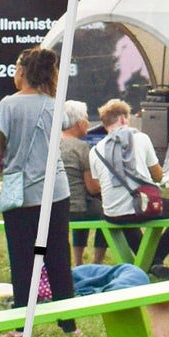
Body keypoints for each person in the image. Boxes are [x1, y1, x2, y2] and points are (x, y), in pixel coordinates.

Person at [0, 47, 77, 334]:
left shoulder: (8, 105)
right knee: (57, 256)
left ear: (22, 72)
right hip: (55, 190)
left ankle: (20, 326)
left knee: (23, 259)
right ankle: (68, 323)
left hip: (21, 193)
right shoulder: (55, 104)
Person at [89, 99, 169, 279]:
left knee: (127, 218)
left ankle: (153, 265)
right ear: (122, 119)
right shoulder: (140, 138)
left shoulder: (95, 150)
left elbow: (97, 184)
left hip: (113, 213)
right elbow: (157, 174)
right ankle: (155, 260)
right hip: (142, 207)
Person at [60, 100, 107, 268]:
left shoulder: (50, 143)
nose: (88, 123)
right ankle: (97, 262)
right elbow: (92, 187)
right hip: (76, 208)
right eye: (87, 118)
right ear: (79, 122)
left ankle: (78, 261)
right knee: (109, 211)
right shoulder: (81, 147)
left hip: (56, 207)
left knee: (84, 202)